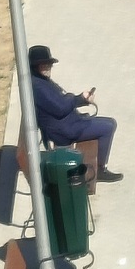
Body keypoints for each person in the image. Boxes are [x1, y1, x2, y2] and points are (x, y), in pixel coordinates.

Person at [27, 45, 122, 182]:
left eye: (49, 64)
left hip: (65, 126)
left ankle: (98, 168)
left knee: (107, 123)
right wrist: (78, 98)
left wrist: (81, 99)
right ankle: (100, 170)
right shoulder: (38, 86)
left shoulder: (39, 81)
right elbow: (60, 108)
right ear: (35, 66)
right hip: (64, 131)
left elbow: (60, 104)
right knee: (108, 126)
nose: (48, 67)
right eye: (44, 64)